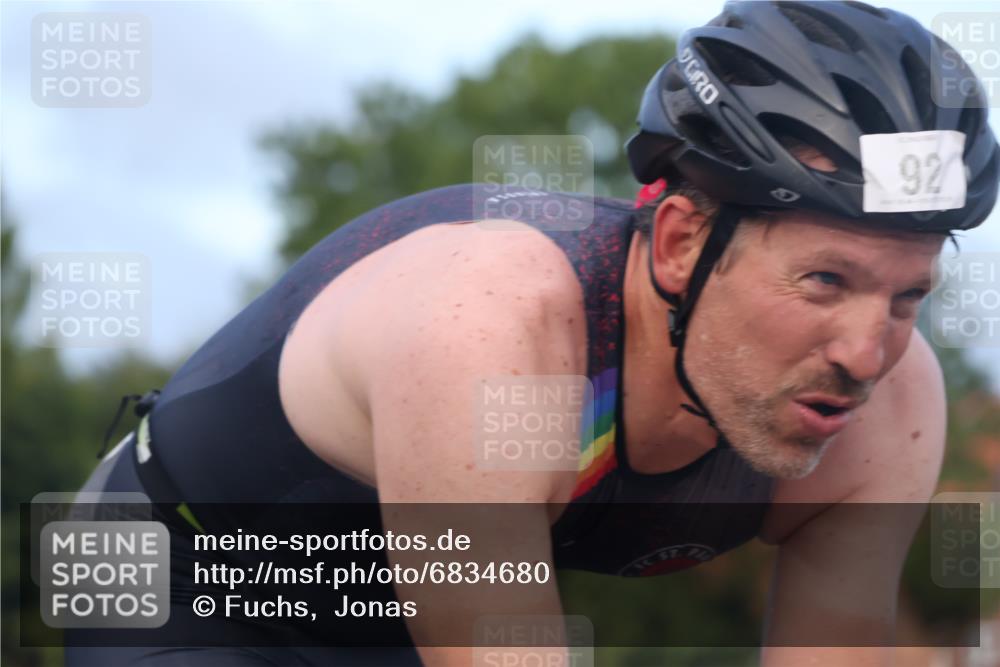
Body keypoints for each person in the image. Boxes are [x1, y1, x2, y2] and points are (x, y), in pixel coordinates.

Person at [65, 1, 998, 665]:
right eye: (825, 280)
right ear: (680, 244)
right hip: (186, 578)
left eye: (906, 296)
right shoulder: (493, 324)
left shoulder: (890, 409)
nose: (866, 353)